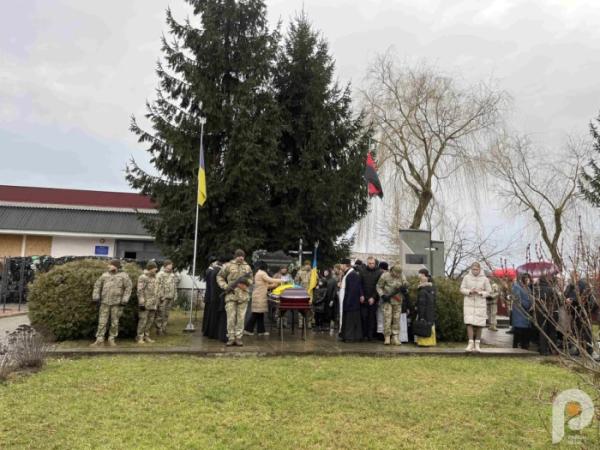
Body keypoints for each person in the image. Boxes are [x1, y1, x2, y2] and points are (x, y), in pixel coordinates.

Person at [90, 259, 132, 346]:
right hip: (105, 302)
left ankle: (111, 339)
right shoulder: (104, 275)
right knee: (102, 321)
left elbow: (128, 288)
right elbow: (97, 286)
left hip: (117, 304)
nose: (108, 266)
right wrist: (96, 297)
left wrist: (124, 300)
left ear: (115, 266)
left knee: (115, 322)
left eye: (110, 265)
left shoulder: (124, 276)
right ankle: (99, 339)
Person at [216, 249, 253, 346]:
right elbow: (219, 277)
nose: (241, 258)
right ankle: (231, 338)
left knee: (241, 318)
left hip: (243, 296)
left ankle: (239, 338)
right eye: (239, 256)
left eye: (243, 256)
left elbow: (251, 279)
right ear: (236, 256)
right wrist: (225, 286)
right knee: (231, 318)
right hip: (231, 295)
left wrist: (246, 284)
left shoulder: (247, 267)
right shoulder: (228, 265)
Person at [460, 262, 492, 353]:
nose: (475, 271)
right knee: (468, 322)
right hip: (469, 303)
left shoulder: (485, 279)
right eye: (473, 269)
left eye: (476, 269)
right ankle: (470, 343)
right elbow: (462, 289)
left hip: (480, 303)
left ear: (479, 269)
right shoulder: (466, 277)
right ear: (471, 269)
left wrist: (481, 293)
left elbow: (489, 291)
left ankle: (477, 344)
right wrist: (470, 291)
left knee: (479, 324)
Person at [564, 271, 598, 356]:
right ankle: (580, 349)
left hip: (584, 311)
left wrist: (572, 299)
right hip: (574, 312)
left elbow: (584, 296)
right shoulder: (570, 286)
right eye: (572, 276)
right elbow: (565, 294)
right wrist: (566, 299)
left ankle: (588, 350)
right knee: (577, 331)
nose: (572, 278)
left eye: (574, 276)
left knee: (585, 331)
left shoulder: (583, 284)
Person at [245, 261, 282, 336]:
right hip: (259, 296)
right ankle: (248, 330)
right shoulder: (262, 273)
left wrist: (275, 284)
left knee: (260, 314)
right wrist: (282, 280)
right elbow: (270, 280)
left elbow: (265, 285)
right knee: (256, 314)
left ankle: (261, 331)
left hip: (259, 295)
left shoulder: (259, 273)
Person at [376, 262, 407, 345]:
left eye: (399, 273)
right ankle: (387, 337)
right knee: (387, 318)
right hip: (387, 300)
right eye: (396, 273)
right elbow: (379, 286)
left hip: (398, 300)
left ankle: (395, 337)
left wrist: (405, 287)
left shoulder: (402, 276)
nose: (397, 275)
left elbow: (405, 284)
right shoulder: (385, 275)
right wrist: (382, 295)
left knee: (396, 319)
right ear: (392, 270)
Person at [204, 255, 229, 342]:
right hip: (217, 296)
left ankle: (211, 333)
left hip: (213, 296)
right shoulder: (218, 271)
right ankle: (214, 334)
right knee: (215, 317)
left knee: (212, 317)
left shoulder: (214, 270)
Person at [533, 274, 559, 356]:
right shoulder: (552, 289)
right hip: (551, 312)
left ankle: (543, 350)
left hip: (540, 312)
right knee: (552, 331)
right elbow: (559, 301)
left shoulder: (536, 290)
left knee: (542, 331)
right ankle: (552, 349)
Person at [359, 256, 383, 341]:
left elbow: (379, 286)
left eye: (372, 263)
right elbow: (360, 284)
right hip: (363, 298)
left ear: (375, 263)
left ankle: (370, 335)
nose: (371, 265)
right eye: (369, 263)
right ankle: (363, 334)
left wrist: (373, 297)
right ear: (367, 263)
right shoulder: (362, 271)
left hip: (374, 299)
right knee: (363, 317)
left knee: (371, 318)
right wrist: (361, 295)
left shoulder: (379, 272)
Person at [339, 258, 363, 342]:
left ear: (345, 265)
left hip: (351, 304)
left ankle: (350, 337)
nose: (340, 266)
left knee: (351, 321)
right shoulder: (348, 274)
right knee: (348, 321)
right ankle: (346, 336)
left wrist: (348, 302)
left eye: (341, 265)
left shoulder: (352, 275)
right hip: (349, 303)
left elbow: (353, 290)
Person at [136, 261, 159, 344]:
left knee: (150, 321)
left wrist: (157, 302)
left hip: (153, 304)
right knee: (143, 320)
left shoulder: (155, 278)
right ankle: (140, 337)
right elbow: (140, 290)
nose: (156, 269)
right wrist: (141, 302)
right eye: (154, 268)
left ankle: (146, 336)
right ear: (150, 268)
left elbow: (157, 290)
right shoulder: (143, 277)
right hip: (145, 303)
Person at [154, 259, 178, 335]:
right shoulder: (160, 274)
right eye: (170, 264)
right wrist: (160, 296)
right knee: (160, 313)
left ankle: (164, 328)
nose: (171, 266)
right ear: (166, 265)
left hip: (170, 297)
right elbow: (158, 286)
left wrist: (175, 295)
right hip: (163, 298)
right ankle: (159, 329)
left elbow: (174, 286)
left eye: (172, 265)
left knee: (166, 314)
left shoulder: (172, 274)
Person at [415, 268, 436, 347]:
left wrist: (421, 315)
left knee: (423, 325)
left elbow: (421, 303)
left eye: (419, 274)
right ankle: (431, 342)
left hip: (424, 311)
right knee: (430, 325)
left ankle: (423, 342)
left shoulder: (422, 289)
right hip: (431, 311)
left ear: (423, 275)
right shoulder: (432, 287)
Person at [511, 273, 532, 349]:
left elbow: (530, 298)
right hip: (519, 312)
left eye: (529, 279)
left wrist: (531, 305)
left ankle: (524, 346)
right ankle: (515, 347)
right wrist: (527, 305)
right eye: (527, 279)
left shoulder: (528, 288)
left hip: (527, 312)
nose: (528, 281)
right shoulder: (517, 287)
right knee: (518, 330)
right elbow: (517, 299)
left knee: (525, 330)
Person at [295, 260, 313, 329]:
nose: (308, 266)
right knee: (300, 307)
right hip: (301, 292)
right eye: (307, 264)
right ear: (304, 265)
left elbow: (316, 281)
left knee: (310, 308)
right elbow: (296, 281)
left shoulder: (313, 272)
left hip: (310, 292)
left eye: (309, 265)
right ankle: (300, 323)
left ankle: (309, 323)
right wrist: (299, 287)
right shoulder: (300, 272)